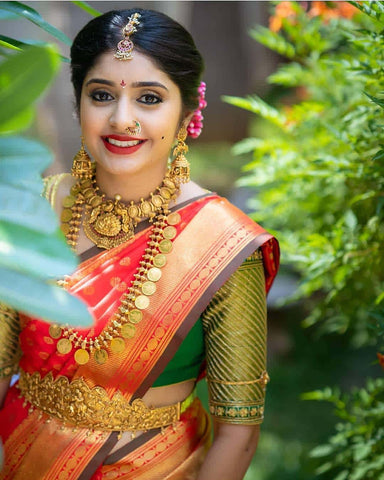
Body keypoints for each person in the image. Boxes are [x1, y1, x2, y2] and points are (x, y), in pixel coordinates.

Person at [0, 8, 279, 480]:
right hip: (19, 456)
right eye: (102, 95)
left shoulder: (224, 247)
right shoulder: (32, 208)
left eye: (149, 98)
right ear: (78, 104)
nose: (122, 119)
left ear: (188, 112)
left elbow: (240, 432)